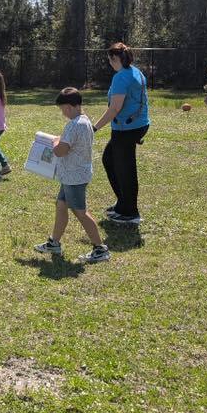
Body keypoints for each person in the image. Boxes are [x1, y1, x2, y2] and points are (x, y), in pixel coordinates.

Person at [34, 88, 110, 263]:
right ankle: (54, 242)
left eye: (62, 109)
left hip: (74, 177)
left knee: (81, 212)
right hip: (74, 174)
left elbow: (61, 151)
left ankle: (100, 249)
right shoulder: (85, 121)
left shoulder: (74, 124)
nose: (63, 113)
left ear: (69, 107)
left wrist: (54, 143)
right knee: (61, 205)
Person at [92, 42, 150, 225]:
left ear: (115, 58)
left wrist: (94, 128)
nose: (109, 62)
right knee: (110, 159)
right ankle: (123, 204)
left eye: (110, 59)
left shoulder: (121, 77)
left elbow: (114, 108)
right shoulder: (135, 71)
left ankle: (130, 212)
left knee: (125, 169)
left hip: (127, 128)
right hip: (136, 125)